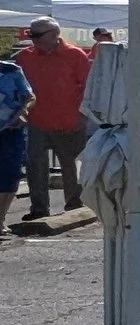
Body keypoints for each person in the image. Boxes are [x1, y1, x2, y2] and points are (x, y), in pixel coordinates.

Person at [13, 16, 91, 220]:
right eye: (31, 34)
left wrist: (82, 115)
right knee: (35, 167)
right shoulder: (24, 58)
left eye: (37, 35)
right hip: (36, 122)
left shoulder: (75, 55)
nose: (33, 39)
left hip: (70, 122)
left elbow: (89, 88)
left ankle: (75, 206)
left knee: (72, 166)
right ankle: (39, 209)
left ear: (55, 34)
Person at [0, 54, 30, 227]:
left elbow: (29, 96)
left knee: (10, 175)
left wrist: (24, 111)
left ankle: (1, 219)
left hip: (11, 130)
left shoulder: (11, 70)